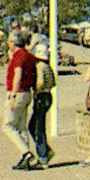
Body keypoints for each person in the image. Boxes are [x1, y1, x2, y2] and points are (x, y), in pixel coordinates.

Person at [3, 30, 37, 169]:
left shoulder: (19, 56)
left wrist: (13, 96)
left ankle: (26, 153)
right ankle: (26, 161)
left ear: (14, 42)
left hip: (18, 92)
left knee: (8, 126)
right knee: (22, 127)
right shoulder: (29, 56)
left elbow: (18, 75)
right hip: (27, 93)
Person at [29, 40, 57, 169]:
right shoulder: (48, 66)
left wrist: (36, 91)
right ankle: (45, 150)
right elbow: (53, 82)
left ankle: (43, 157)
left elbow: (40, 82)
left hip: (42, 96)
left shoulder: (40, 66)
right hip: (48, 95)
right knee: (34, 125)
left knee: (38, 128)